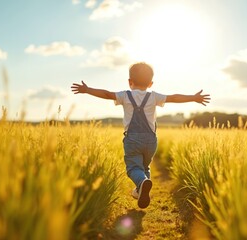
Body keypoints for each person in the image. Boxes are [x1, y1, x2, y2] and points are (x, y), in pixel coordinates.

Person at [71, 62, 211, 209]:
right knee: (145, 168)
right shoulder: (154, 96)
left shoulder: (125, 95)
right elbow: (174, 98)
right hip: (151, 140)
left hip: (132, 139)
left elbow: (106, 94)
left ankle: (142, 184)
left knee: (133, 168)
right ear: (150, 83)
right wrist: (193, 97)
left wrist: (87, 90)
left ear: (130, 82)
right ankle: (141, 191)